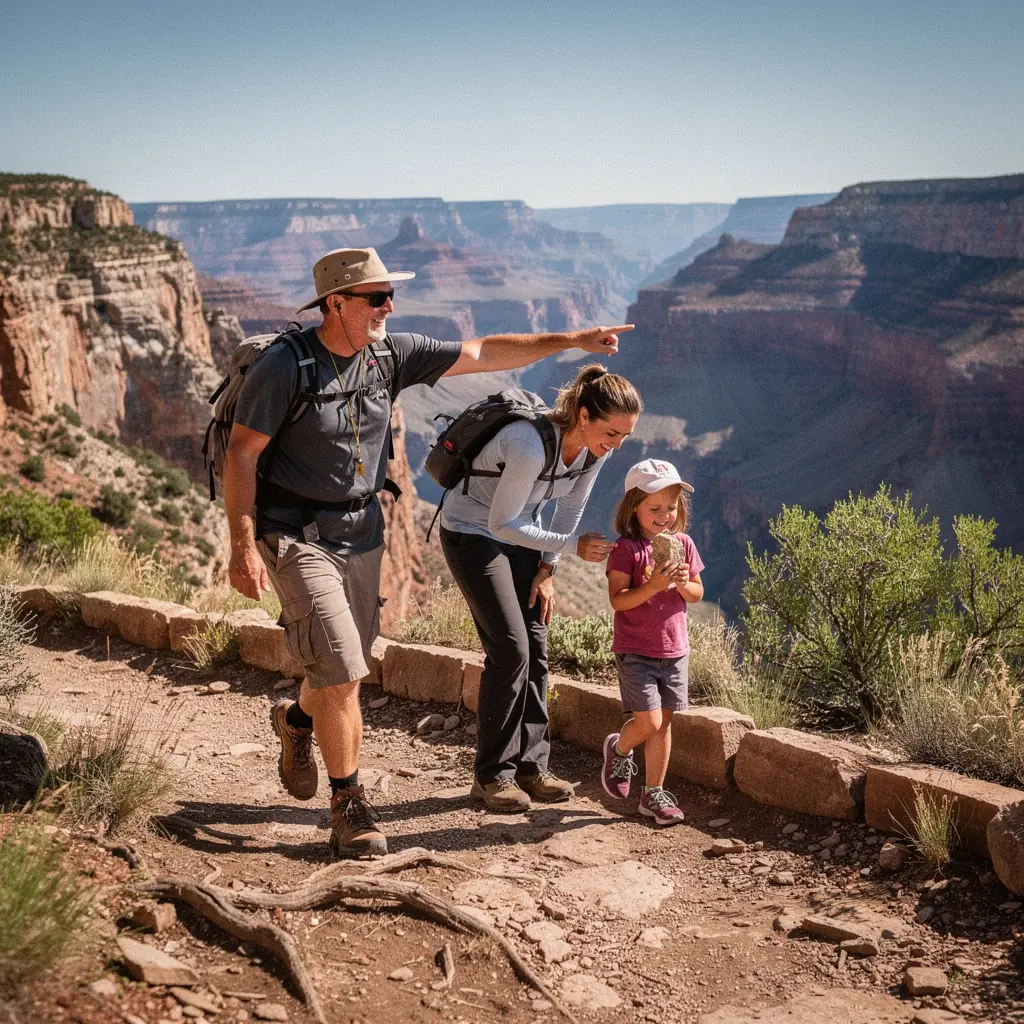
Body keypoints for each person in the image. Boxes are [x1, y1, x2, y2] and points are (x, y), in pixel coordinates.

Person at [224, 245, 632, 859]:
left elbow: (483, 352)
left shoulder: (391, 354)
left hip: (360, 530)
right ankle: (350, 804)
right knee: (343, 671)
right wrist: (241, 543)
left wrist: (573, 338)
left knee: (345, 664)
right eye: (376, 298)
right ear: (336, 302)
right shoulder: (286, 366)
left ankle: (296, 721)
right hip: (296, 532)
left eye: (392, 295)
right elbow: (241, 454)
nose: (389, 306)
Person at [440, 364, 643, 811]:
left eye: (625, 436)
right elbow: (500, 522)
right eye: (612, 432)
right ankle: (492, 776)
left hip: (523, 539)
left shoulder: (594, 451)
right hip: (473, 534)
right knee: (510, 650)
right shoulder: (528, 446)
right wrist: (570, 548)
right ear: (584, 415)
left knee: (536, 645)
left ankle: (532, 768)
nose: (616, 444)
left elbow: (570, 507)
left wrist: (547, 569)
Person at [599, 458, 705, 826]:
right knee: (647, 722)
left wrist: (677, 583)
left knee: (664, 725)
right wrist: (654, 586)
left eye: (671, 508)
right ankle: (620, 747)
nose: (664, 515)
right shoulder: (625, 550)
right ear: (634, 508)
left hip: (675, 650)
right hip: (636, 650)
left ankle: (653, 794)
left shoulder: (684, 544)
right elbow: (618, 600)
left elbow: (695, 592)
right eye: (654, 508)